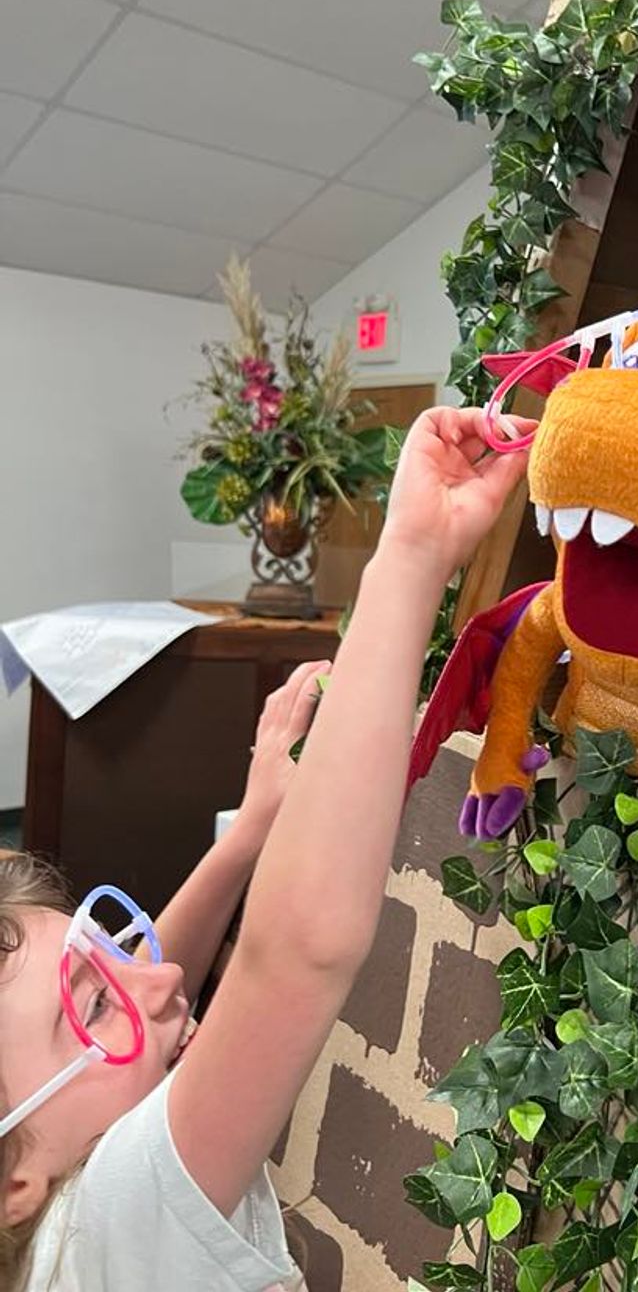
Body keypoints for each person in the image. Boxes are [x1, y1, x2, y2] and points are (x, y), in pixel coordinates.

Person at [0, 407, 532, 1290]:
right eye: (95, 1007)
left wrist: (248, 835)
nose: (161, 979)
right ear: (13, 1183)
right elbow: (295, 954)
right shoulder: (116, 1222)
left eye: (104, 949)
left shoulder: (55, 1193)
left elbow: (143, 975)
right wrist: (410, 553)